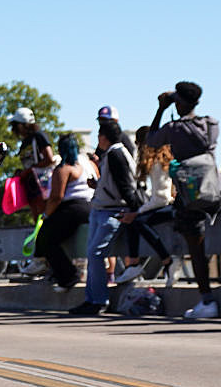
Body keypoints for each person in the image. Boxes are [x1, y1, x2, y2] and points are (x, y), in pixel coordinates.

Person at [145, 81, 220, 319]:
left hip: (190, 195)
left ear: (179, 102)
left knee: (196, 249)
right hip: (213, 186)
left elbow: (151, 141)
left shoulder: (174, 128)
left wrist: (160, 108)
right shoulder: (210, 123)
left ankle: (207, 301)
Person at [69, 120, 142, 315]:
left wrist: (135, 209)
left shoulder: (116, 154)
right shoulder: (114, 153)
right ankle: (92, 299)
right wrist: (100, 185)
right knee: (93, 254)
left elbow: (126, 186)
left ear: (103, 137)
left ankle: (98, 300)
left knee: (95, 254)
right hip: (102, 209)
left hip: (112, 211)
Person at [33, 134, 94, 291]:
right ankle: (62, 272)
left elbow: (56, 197)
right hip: (89, 207)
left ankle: (68, 277)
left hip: (72, 208)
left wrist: (45, 215)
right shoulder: (87, 165)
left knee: (47, 240)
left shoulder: (63, 169)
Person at [116, 127, 174, 285]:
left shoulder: (157, 163)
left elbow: (161, 199)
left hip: (171, 206)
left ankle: (167, 260)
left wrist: (138, 212)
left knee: (137, 220)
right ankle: (134, 264)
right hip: (169, 204)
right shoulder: (162, 160)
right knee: (133, 219)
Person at [9, 107, 55, 222]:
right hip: (32, 185)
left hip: (43, 185)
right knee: (37, 218)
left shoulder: (39, 136)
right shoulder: (25, 141)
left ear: (22, 125)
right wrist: (21, 172)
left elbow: (49, 159)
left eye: (16, 125)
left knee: (44, 217)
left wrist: (28, 171)